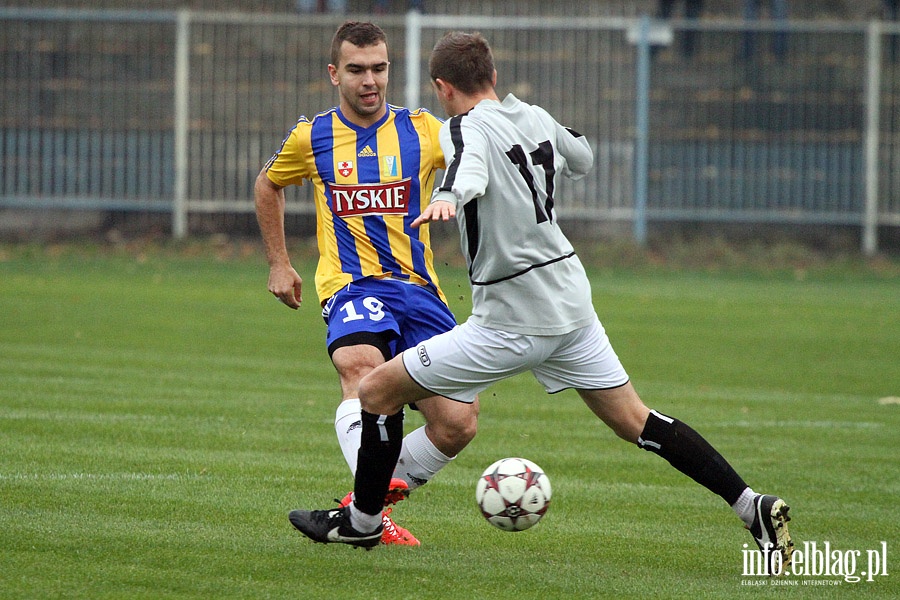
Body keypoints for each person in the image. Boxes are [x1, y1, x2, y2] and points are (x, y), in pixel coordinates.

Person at [288, 30, 795, 574]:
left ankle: (360, 524)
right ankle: (751, 506)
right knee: (636, 420)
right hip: (571, 302)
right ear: (494, 77)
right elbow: (582, 156)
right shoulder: (532, 116)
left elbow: (469, 170)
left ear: (442, 87)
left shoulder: (461, 128)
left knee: (375, 389)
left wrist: (447, 198)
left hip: (511, 318)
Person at [255, 21, 478, 547]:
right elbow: (268, 184)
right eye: (356, 69)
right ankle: (372, 509)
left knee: (457, 424)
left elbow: (479, 156)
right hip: (352, 285)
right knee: (360, 366)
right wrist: (278, 263)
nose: (369, 80)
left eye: (379, 68)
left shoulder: (424, 130)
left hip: (421, 292)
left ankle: (366, 506)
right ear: (334, 74)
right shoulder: (311, 137)